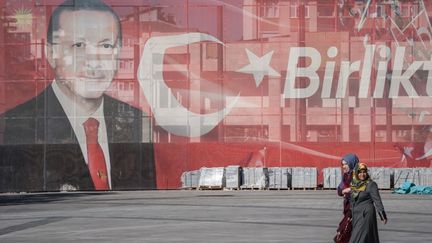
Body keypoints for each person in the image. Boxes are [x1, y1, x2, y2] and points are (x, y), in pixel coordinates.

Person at [0, 0, 156, 192]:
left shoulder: (135, 119)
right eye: (78, 45)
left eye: (106, 46)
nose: (94, 62)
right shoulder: (19, 123)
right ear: (51, 53)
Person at [349, 163, 387, 243]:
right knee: (366, 237)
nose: (362, 174)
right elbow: (352, 200)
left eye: (364, 172)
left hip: (366, 214)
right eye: (360, 172)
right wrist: (350, 214)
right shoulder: (354, 185)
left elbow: (377, 200)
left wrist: (382, 215)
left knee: (357, 238)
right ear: (356, 173)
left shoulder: (371, 184)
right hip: (356, 215)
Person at [334, 153, 359, 243]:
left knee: (344, 230)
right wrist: (344, 191)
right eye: (343, 164)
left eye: (346, 164)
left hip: (356, 208)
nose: (343, 166)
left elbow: (362, 188)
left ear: (352, 164)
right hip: (348, 206)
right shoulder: (346, 175)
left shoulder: (358, 175)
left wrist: (349, 190)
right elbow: (339, 190)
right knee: (347, 231)